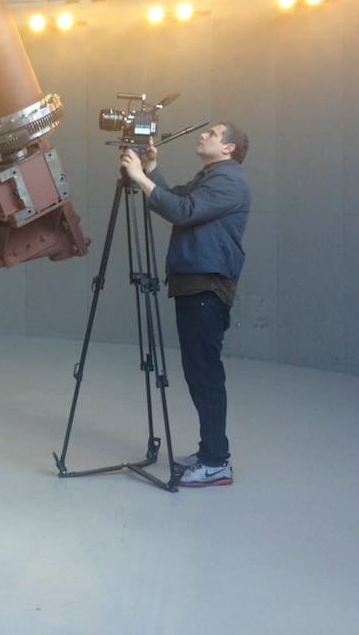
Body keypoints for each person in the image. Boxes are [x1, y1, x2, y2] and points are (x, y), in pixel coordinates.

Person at [119, 122, 251, 487]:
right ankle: (210, 451)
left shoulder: (229, 181)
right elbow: (174, 198)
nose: (205, 135)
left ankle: (216, 462)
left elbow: (182, 211)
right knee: (198, 372)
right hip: (195, 285)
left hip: (207, 288)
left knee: (205, 374)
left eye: (214, 133)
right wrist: (149, 169)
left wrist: (137, 177)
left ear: (228, 148)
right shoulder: (211, 175)